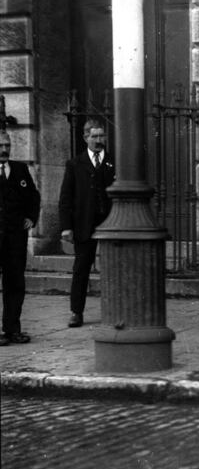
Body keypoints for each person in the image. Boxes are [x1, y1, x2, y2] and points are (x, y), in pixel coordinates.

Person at [59, 119, 115, 328]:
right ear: (85, 138)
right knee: (81, 268)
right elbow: (65, 198)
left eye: (101, 136)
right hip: (84, 224)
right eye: (94, 136)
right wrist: (66, 227)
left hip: (110, 223)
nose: (99, 140)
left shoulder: (113, 162)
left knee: (113, 268)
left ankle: (114, 310)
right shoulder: (75, 164)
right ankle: (76, 311)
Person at [0, 130, 41, 345]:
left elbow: (33, 196)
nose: (4, 150)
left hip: (15, 237)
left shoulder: (20, 169)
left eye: (7, 145)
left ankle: (12, 329)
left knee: (15, 282)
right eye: (0, 146)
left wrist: (31, 218)